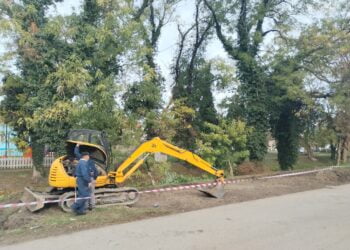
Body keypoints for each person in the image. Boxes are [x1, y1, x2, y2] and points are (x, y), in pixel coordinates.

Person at [74, 144, 98, 210]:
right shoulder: (91, 162)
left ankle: (86, 206)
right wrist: (94, 179)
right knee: (91, 193)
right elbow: (96, 171)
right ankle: (92, 206)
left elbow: (76, 153)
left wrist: (77, 146)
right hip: (90, 178)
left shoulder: (81, 160)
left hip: (85, 179)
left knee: (84, 192)